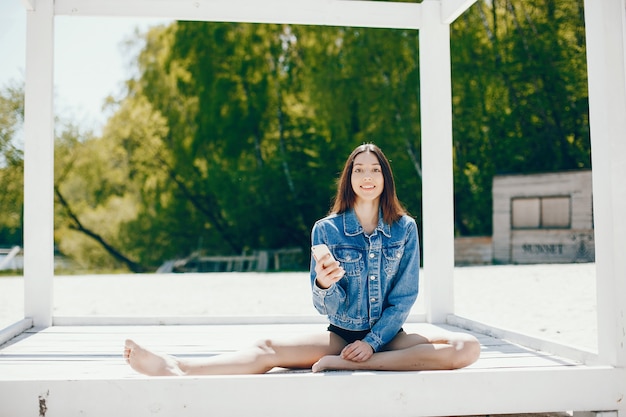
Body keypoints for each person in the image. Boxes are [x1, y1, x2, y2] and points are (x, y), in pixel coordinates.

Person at [123, 143, 480, 376]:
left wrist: (370, 345)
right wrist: (324, 284)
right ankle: (180, 367)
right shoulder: (327, 230)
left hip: (387, 338)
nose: (367, 176)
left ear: (385, 178)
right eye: (359, 170)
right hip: (340, 334)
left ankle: (350, 365)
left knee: (468, 347)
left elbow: (404, 298)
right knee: (268, 349)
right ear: (348, 178)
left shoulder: (404, 228)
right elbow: (323, 307)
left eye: (374, 170)